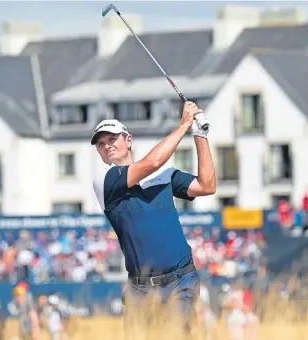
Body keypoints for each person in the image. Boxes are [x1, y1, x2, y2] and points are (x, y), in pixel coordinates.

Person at [91, 102, 216, 332]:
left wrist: (199, 135)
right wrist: (184, 125)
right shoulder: (105, 183)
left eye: (112, 139)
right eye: (101, 144)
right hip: (140, 290)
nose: (107, 146)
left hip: (181, 280)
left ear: (128, 140)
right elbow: (152, 162)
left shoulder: (165, 176)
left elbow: (207, 185)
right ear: (99, 153)